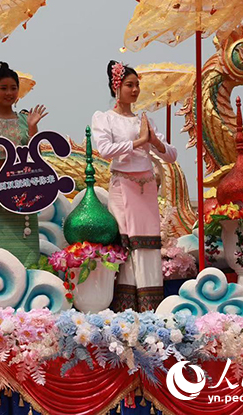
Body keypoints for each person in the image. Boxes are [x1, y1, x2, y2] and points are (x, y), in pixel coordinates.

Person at [91, 60, 177, 312]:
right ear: (116, 87)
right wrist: (140, 142)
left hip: (147, 187)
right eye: (130, 84)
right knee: (127, 243)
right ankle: (125, 307)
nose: (135, 90)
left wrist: (155, 143)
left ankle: (151, 306)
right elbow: (105, 150)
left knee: (148, 244)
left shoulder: (144, 120)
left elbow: (171, 155)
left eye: (138, 85)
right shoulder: (105, 118)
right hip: (123, 186)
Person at [0, 61, 48, 267]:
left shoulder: (25, 119)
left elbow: (37, 155)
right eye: (3, 88)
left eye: (13, 88)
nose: (9, 92)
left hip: (24, 185)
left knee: (26, 240)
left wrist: (33, 128)